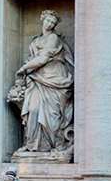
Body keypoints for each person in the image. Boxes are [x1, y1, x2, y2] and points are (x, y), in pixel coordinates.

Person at [8, 11, 74, 152]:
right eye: (48, 21)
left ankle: (55, 144)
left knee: (53, 115)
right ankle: (31, 144)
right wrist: (27, 68)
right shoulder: (36, 40)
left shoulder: (54, 38)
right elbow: (33, 58)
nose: (49, 24)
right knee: (33, 109)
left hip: (54, 77)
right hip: (37, 78)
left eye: (53, 23)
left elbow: (43, 59)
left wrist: (23, 68)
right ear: (42, 20)